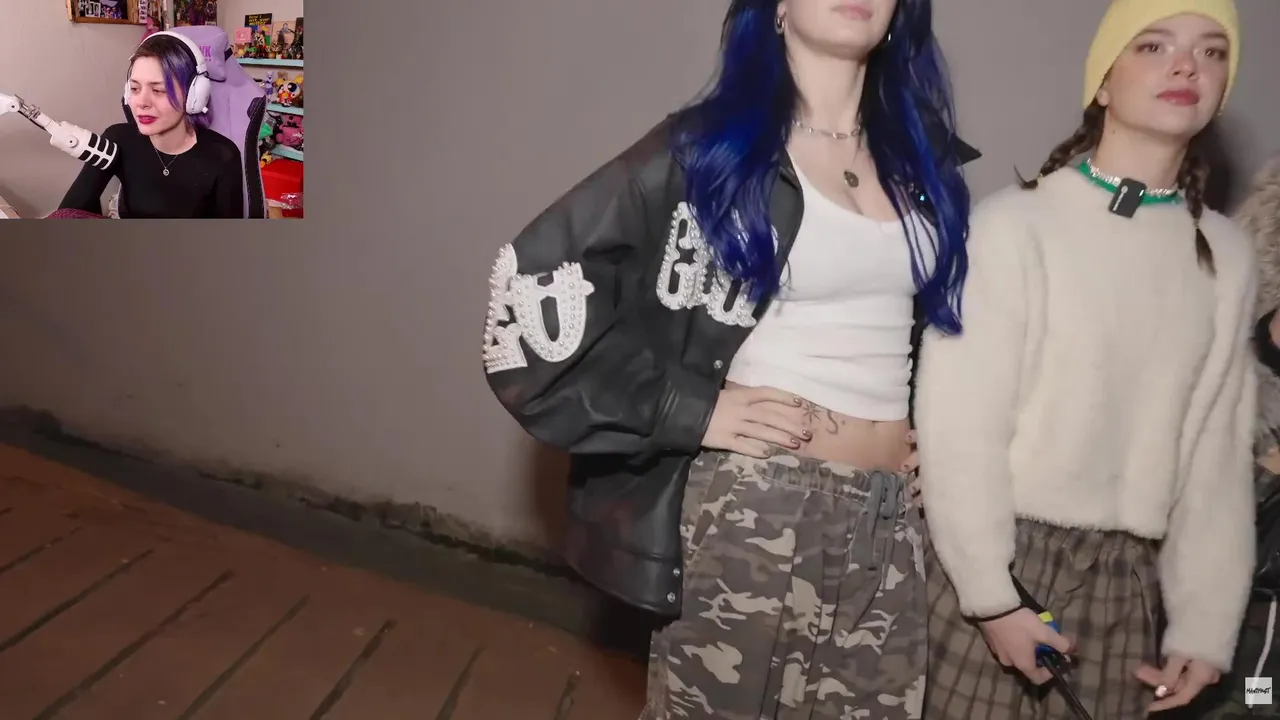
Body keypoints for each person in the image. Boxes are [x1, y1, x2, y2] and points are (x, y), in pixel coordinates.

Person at [480, 0, 978, 716]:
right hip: (758, 503)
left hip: (887, 519)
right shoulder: (711, 150)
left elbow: (926, 322)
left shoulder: (923, 161)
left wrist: (936, 426)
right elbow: (526, 292)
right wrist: (691, 410)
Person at [915, 0, 1255, 718]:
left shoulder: (1226, 254)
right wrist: (991, 596)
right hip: (1002, 563)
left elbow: (1216, 456)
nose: (1186, 66)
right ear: (1102, 81)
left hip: (1128, 584)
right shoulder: (1015, 225)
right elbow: (959, 428)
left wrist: (1204, 627)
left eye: (1212, 51)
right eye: (1153, 46)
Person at [58, 32, 245, 218]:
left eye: (158, 90)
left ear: (193, 96)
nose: (141, 102)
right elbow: (67, 215)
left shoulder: (222, 156)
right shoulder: (117, 139)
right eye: (135, 89)